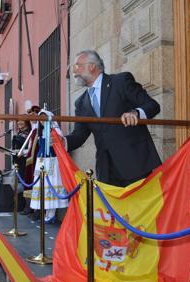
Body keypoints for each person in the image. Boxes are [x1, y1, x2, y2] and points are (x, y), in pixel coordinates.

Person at [64, 49, 161, 187]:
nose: (73, 71)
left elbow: (152, 105)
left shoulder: (121, 81)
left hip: (135, 164)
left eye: (77, 65)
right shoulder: (80, 103)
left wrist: (136, 113)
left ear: (92, 66)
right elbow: (79, 135)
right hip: (106, 171)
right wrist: (63, 141)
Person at [29, 109, 68, 223]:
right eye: (40, 119)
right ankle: (44, 211)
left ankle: (51, 213)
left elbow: (61, 143)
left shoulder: (54, 130)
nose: (41, 121)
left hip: (51, 160)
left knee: (51, 182)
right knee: (42, 184)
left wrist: (55, 139)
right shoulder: (39, 132)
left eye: (43, 118)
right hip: (41, 160)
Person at [12, 120, 32, 213]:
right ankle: (23, 205)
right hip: (19, 162)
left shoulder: (30, 132)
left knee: (27, 185)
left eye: (21, 121)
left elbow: (30, 148)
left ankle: (29, 207)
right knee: (22, 185)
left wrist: (20, 151)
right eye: (18, 121)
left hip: (26, 162)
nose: (19, 123)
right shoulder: (19, 133)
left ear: (26, 122)